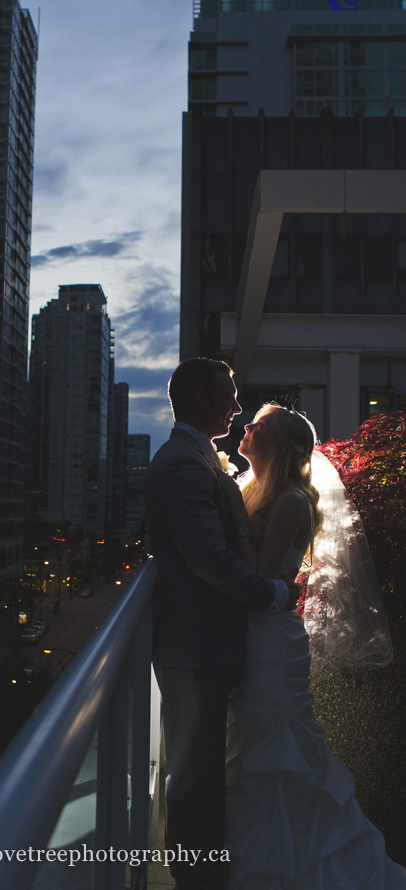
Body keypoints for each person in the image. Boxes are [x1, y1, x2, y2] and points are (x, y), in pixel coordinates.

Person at [226, 403, 405, 889]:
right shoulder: (257, 488)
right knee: (257, 745)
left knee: (275, 748)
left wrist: (228, 512)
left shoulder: (290, 501)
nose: (246, 428)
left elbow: (258, 577)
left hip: (271, 641)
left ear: (280, 446)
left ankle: (286, 859)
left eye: (257, 426)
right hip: (257, 634)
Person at [143, 358, 299, 890]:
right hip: (196, 643)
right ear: (202, 400)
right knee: (194, 780)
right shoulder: (183, 463)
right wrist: (275, 594)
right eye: (230, 396)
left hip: (210, 640)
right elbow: (208, 556)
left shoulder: (197, 457)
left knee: (205, 774)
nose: (238, 407)